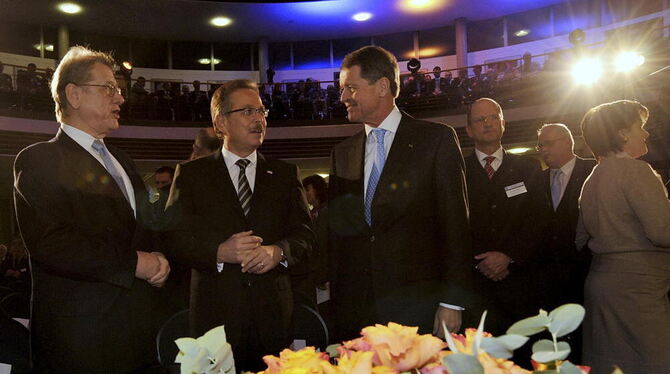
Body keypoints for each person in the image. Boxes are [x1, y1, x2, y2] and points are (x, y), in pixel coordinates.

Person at [13, 46, 170, 373]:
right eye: (109, 89)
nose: (120, 98)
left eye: (120, 90)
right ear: (74, 94)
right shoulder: (39, 159)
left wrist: (159, 259)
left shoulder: (123, 161)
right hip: (80, 341)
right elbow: (51, 243)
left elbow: (145, 227)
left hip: (138, 333)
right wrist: (135, 264)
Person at [164, 79, 313, 372]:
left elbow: (306, 237)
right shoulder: (192, 175)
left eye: (261, 111)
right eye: (247, 111)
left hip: (274, 319)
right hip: (213, 320)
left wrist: (278, 252)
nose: (259, 119)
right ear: (221, 122)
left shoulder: (284, 174)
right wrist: (218, 252)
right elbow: (173, 238)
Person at [328, 46, 472, 341]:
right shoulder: (342, 153)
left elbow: (455, 226)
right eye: (343, 89)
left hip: (418, 305)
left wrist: (451, 301)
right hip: (356, 309)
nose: (343, 97)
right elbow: (336, 234)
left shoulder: (435, 140)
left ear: (382, 86)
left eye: (351, 88)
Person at [577, 100, 670, 374]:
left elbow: (580, 239)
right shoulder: (637, 171)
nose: (646, 133)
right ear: (622, 133)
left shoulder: (591, 179)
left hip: (602, 286)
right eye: (640, 126)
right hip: (638, 291)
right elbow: (662, 232)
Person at [463, 98, 542, 335]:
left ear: (503, 124)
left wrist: (509, 255)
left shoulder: (528, 167)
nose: (487, 123)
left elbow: (538, 219)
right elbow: (451, 223)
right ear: (468, 130)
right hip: (473, 285)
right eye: (479, 119)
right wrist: (480, 262)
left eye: (493, 117)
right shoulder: (457, 170)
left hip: (519, 282)